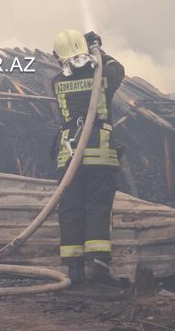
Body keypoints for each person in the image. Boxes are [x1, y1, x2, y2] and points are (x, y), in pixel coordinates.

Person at [51, 29, 124, 285]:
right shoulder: (102, 76)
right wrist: (98, 48)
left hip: (69, 157)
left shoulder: (57, 82)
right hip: (100, 154)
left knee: (70, 210)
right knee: (97, 208)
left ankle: (75, 273)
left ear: (58, 56)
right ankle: (99, 268)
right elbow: (118, 68)